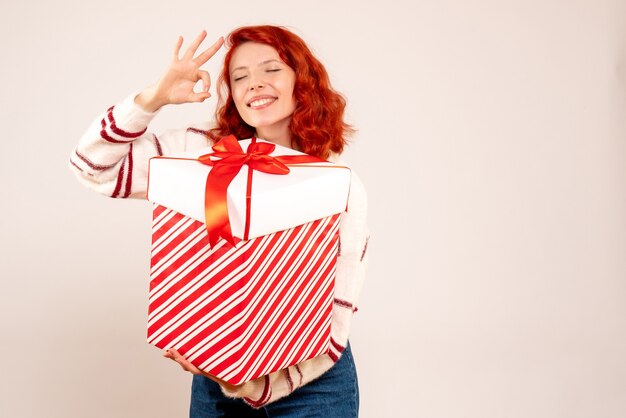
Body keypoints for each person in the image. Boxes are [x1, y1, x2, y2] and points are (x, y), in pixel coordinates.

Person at [70, 25, 369, 417]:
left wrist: (253, 378)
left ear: (302, 80)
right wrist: (151, 99)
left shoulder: (337, 180)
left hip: (312, 379)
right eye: (239, 78)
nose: (254, 85)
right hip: (215, 375)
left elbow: (337, 304)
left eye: (271, 70)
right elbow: (94, 167)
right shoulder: (201, 153)